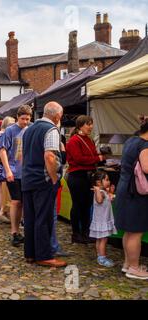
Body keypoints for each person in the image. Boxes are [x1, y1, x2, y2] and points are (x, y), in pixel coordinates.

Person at [21, 102, 67, 268]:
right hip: (43, 179)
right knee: (44, 218)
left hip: (28, 178)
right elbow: (49, 156)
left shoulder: (28, 130)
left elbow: (22, 155)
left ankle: (31, 253)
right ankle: (44, 255)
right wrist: (54, 177)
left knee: (30, 218)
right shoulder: (51, 130)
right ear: (56, 116)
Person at [115, 116, 148, 280]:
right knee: (136, 233)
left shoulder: (131, 141)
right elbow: (147, 167)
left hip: (126, 189)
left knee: (129, 232)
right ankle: (134, 268)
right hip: (136, 193)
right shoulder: (145, 145)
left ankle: (128, 264)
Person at [66, 116, 105, 244]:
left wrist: (99, 157)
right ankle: (76, 234)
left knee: (87, 205)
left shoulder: (89, 139)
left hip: (88, 176)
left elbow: (91, 155)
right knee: (78, 205)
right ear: (80, 125)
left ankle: (85, 232)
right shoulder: (74, 141)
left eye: (91, 124)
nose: (91, 127)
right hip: (77, 176)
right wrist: (97, 159)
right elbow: (79, 159)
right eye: (88, 124)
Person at [0, 105, 32, 247]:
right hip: (14, 170)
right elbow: (2, 151)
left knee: (26, 203)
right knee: (16, 202)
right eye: (23, 118)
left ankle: (24, 231)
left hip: (28, 172)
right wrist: (7, 170)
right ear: (18, 117)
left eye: (27, 119)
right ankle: (14, 232)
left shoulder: (31, 129)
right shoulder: (10, 130)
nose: (25, 121)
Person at [89, 171, 117, 267]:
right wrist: (97, 190)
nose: (108, 182)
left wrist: (111, 192)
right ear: (98, 183)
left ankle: (99, 255)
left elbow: (109, 200)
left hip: (103, 220)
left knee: (100, 239)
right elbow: (100, 200)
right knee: (103, 240)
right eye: (106, 180)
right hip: (102, 221)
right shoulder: (100, 192)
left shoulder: (104, 191)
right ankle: (102, 257)